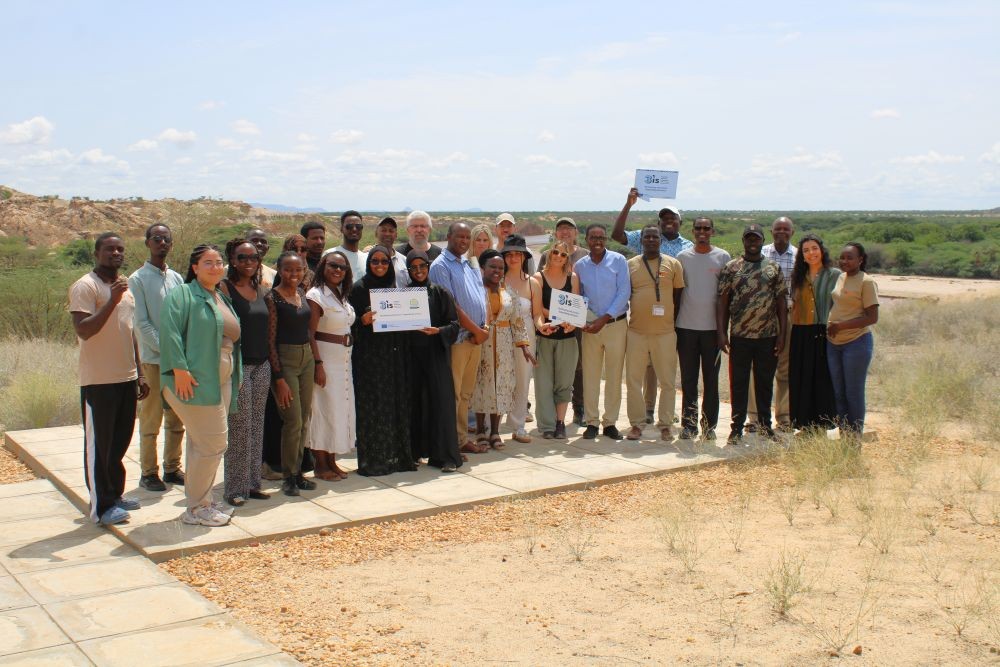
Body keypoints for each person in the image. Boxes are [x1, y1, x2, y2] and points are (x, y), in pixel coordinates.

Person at [70, 233, 150, 525]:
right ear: (96, 253)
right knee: (99, 446)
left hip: (125, 377)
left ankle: (115, 495)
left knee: (119, 443)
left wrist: (140, 372)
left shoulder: (124, 288)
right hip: (98, 381)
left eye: (120, 248)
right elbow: (84, 330)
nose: (116, 253)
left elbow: (129, 332)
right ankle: (101, 506)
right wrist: (112, 300)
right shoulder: (85, 286)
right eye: (109, 249)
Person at [160, 244, 241, 527]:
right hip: (194, 379)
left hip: (220, 378)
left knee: (201, 443)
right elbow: (169, 331)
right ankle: (197, 507)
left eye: (219, 262)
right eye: (208, 262)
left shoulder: (219, 295)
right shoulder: (183, 294)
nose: (215, 267)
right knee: (214, 443)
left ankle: (202, 501)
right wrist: (179, 369)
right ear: (195, 267)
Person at [612, 188, 693, 423]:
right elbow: (617, 235)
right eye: (664, 218)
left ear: (680, 222)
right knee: (645, 370)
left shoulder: (686, 247)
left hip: (668, 323)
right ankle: (647, 408)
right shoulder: (644, 238)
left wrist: (674, 317)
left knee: (666, 370)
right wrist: (629, 204)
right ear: (657, 224)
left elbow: (679, 290)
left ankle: (667, 414)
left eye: (673, 218)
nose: (668, 221)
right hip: (640, 326)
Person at [716, 224, 787, 445]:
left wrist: (782, 335)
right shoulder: (731, 268)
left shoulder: (773, 268)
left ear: (762, 241)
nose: (752, 242)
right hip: (740, 336)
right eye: (749, 238)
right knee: (739, 383)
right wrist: (722, 333)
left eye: (756, 238)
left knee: (764, 383)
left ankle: (765, 425)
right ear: (743, 241)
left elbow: (781, 303)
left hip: (767, 336)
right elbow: (722, 302)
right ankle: (736, 428)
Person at [349, 247, 417, 475]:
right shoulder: (358, 289)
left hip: (393, 356)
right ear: (368, 264)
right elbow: (349, 324)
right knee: (373, 407)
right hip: (369, 358)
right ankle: (374, 460)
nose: (380, 266)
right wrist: (362, 321)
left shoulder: (393, 289)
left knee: (395, 404)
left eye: (384, 262)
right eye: (375, 261)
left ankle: (397, 457)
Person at [128, 223, 185, 492]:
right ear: (147, 243)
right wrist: (170, 349)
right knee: (151, 420)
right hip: (153, 360)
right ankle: (149, 472)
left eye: (166, 239)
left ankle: (172, 468)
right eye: (157, 239)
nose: (162, 243)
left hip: (178, 362)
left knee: (177, 418)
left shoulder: (176, 278)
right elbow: (141, 324)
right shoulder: (137, 279)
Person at [429, 222, 490, 454]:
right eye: (459, 236)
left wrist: (483, 328)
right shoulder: (440, 266)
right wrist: (477, 331)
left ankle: (461, 439)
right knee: (452, 395)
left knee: (465, 394)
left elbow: (480, 296)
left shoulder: (469, 263)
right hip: (458, 340)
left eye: (467, 237)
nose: (463, 241)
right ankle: (450, 444)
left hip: (475, 338)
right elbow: (451, 306)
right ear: (448, 237)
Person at [219, 239, 271, 506]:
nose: (249, 262)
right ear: (232, 260)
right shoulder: (224, 289)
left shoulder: (260, 288)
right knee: (239, 427)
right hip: (238, 365)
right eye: (243, 257)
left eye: (253, 257)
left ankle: (252, 483)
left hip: (262, 364)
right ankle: (234, 488)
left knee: (257, 424)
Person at [624, 225, 685, 441]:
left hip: (665, 333)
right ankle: (637, 424)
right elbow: (625, 295)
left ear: (661, 240)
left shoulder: (673, 264)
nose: (651, 240)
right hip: (636, 332)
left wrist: (669, 319)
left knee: (667, 382)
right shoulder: (630, 265)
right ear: (641, 240)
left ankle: (665, 424)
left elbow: (678, 296)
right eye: (647, 236)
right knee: (633, 381)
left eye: (655, 237)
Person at [406, 250, 464, 472]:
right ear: (409, 270)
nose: (419, 271)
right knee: (415, 404)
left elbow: (454, 325)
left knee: (441, 403)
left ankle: (445, 457)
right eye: (414, 268)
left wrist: (438, 331)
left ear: (428, 267)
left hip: (436, 355)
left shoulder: (440, 293)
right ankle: (414, 453)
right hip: (412, 357)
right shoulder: (403, 294)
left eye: (422, 266)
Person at [267, 252, 318, 496]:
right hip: (285, 360)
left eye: (298, 270)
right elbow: (270, 341)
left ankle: (298, 473)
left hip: (306, 357)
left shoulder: (302, 293)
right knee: (292, 420)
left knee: (305, 418)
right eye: (288, 269)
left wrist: (316, 361)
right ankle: (288, 476)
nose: (293, 274)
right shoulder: (272, 298)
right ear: (279, 270)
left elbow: (308, 330)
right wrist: (278, 378)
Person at [472, 250, 535, 448]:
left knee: (501, 385)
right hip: (481, 343)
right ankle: (480, 430)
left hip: (504, 345)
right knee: (481, 384)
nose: (497, 271)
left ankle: (495, 432)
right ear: (483, 268)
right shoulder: (475, 290)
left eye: (500, 268)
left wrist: (524, 346)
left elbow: (517, 321)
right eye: (492, 267)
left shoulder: (509, 292)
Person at [675, 217, 731, 440]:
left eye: (706, 228)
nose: (702, 232)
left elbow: (726, 296)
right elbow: (677, 292)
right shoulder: (682, 257)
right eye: (698, 228)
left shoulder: (723, 257)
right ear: (692, 231)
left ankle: (709, 427)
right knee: (688, 380)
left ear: (712, 232)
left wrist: (723, 331)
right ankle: (689, 425)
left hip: (712, 331)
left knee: (711, 380)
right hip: (686, 328)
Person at [574, 224, 630, 440]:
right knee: (590, 375)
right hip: (590, 328)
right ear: (586, 240)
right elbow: (578, 295)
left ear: (606, 239)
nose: (597, 241)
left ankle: (610, 423)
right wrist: (583, 320)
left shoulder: (619, 260)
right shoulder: (580, 266)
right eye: (593, 237)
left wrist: (604, 318)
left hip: (615, 325)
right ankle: (592, 422)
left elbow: (624, 292)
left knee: (614, 376)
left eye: (601, 237)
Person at [306, 251, 356, 480]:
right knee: (322, 410)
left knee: (338, 410)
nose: (337, 270)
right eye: (333, 265)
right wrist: (318, 364)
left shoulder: (340, 294)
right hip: (325, 359)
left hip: (343, 360)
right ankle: (320, 464)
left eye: (342, 267)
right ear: (323, 267)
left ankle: (332, 461)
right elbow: (310, 333)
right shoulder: (316, 295)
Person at [538, 217, 588, 426]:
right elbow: (540, 291)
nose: (565, 232)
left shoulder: (585, 255)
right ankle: (551, 418)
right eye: (561, 229)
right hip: (550, 324)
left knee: (577, 367)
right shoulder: (545, 255)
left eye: (569, 228)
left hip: (574, 321)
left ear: (576, 232)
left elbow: (579, 291)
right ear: (556, 234)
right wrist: (552, 317)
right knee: (550, 373)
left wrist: (574, 318)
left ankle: (579, 409)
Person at [827, 242, 879, 442]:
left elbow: (872, 317)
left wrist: (840, 326)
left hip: (856, 343)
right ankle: (845, 437)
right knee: (838, 392)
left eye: (850, 258)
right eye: (842, 257)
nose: (845, 261)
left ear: (860, 260)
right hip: (834, 344)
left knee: (853, 393)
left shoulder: (866, 282)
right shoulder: (841, 277)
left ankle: (854, 440)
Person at [749, 216, 797, 431]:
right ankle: (754, 417)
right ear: (771, 231)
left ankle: (784, 417)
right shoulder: (760, 253)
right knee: (756, 367)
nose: (781, 232)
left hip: (788, 315)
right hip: (761, 315)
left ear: (792, 232)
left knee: (785, 368)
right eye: (778, 229)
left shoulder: (799, 257)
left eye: (786, 229)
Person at [788, 234, 840, 432]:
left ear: (822, 250)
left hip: (824, 330)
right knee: (802, 375)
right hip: (801, 331)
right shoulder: (798, 277)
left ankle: (824, 421)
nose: (811, 253)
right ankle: (804, 422)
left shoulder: (834, 275)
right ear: (801, 255)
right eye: (806, 250)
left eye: (814, 248)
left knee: (822, 377)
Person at [531, 241, 580, 439]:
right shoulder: (538, 278)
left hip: (567, 338)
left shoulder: (572, 278)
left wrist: (572, 324)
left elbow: (575, 309)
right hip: (545, 336)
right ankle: (547, 426)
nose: (558, 256)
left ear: (567, 258)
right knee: (543, 384)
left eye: (563, 254)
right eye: (555, 252)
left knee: (564, 384)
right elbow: (537, 310)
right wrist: (548, 322)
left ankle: (560, 423)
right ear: (549, 253)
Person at [501, 234, 536, 443]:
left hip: (527, 333)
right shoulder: (496, 280)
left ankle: (518, 425)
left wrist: (544, 325)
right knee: (500, 378)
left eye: (517, 254)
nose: (513, 258)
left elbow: (537, 314)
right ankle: (491, 426)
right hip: (501, 333)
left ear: (524, 257)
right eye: (509, 254)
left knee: (523, 379)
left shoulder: (533, 282)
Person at [331, 210, 368, 278]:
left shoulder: (366, 258)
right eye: (349, 226)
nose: (354, 229)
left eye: (358, 226)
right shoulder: (330, 254)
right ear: (341, 229)